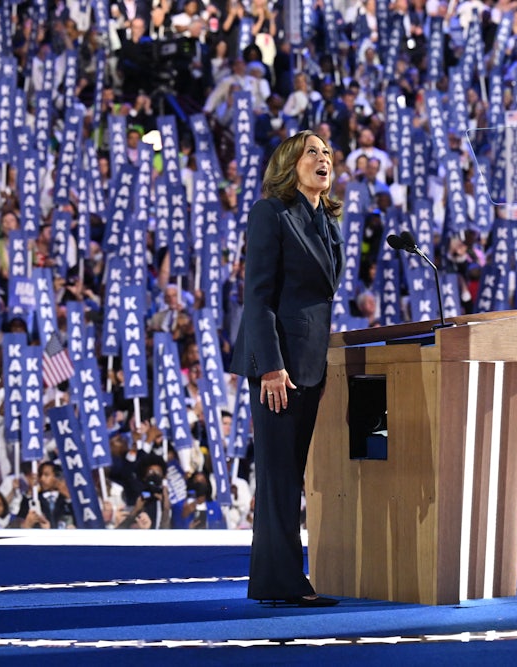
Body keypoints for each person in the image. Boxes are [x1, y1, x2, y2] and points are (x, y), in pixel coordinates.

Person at [229, 130, 343, 607]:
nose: (323, 159)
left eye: (327, 153)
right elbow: (257, 297)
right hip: (280, 367)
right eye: (312, 152)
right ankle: (282, 583)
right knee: (278, 477)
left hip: (310, 364)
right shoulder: (271, 213)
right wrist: (271, 367)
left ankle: (274, 581)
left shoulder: (327, 221)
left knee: (289, 475)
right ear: (290, 165)